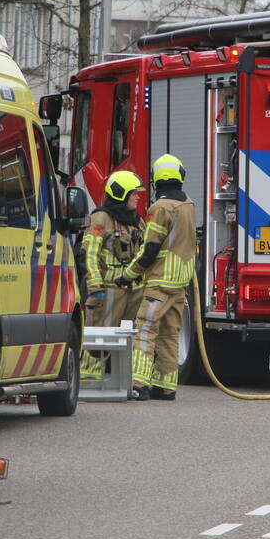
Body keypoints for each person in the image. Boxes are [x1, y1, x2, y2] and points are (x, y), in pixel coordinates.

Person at [115, 154, 196, 401]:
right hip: (181, 283)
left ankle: (140, 384)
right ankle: (166, 386)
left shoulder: (160, 208)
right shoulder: (189, 204)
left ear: (156, 179)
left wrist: (127, 275)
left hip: (160, 283)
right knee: (171, 334)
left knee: (144, 331)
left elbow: (149, 249)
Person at [78, 171, 145, 380]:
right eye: (133, 193)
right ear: (121, 194)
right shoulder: (101, 219)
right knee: (99, 334)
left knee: (127, 338)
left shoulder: (136, 221)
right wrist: (95, 287)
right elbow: (89, 254)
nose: (137, 197)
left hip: (133, 291)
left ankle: (121, 381)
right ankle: (89, 377)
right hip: (108, 291)